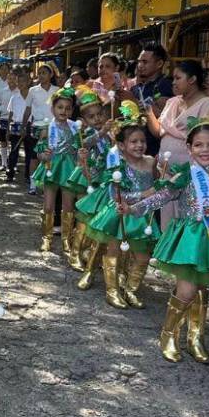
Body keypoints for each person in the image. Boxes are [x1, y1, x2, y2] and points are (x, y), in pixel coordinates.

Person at [128, 109, 209, 363]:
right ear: (189, 148)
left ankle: (195, 337)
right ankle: (168, 334)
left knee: (201, 289)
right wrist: (134, 208)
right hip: (188, 239)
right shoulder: (186, 173)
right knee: (186, 289)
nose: (205, 150)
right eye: (198, 145)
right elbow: (163, 196)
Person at [81, 104, 159, 309]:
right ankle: (112, 290)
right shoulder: (118, 165)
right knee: (113, 251)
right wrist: (143, 194)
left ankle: (131, 290)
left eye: (142, 141)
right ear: (122, 146)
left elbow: (158, 186)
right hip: (120, 213)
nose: (139, 145)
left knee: (143, 256)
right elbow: (115, 194)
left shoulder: (151, 162)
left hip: (142, 216)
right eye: (133, 141)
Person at [147, 60, 209, 228]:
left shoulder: (208, 104)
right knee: (168, 225)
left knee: (188, 222)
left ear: (192, 80)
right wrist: (149, 113)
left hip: (192, 176)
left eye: (177, 78)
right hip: (166, 174)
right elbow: (159, 131)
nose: (173, 82)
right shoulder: (172, 102)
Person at [66, 89, 113, 272]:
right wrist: (102, 132)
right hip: (89, 176)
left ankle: (90, 252)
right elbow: (85, 143)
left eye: (100, 114)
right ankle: (75, 252)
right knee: (85, 215)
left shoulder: (109, 131)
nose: (97, 119)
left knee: (99, 216)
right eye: (92, 117)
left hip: (105, 177)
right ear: (85, 120)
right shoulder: (85, 132)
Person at [32, 87, 80, 254]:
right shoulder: (47, 128)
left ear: (72, 110)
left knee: (68, 206)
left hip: (69, 169)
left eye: (68, 108)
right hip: (51, 168)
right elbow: (38, 152)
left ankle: (67, 240)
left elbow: (80, 147)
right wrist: (43, 156)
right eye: (60, 107)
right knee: (48, 206)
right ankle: (47, 238)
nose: (63, 111)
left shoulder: (75, 128)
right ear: (53, 109)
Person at [133, 43, 174, 155]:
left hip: (156, 150)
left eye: (145, 62)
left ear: (159, 63)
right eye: (139, 61)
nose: (140, 65)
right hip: (135, 149)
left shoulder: (165, 85)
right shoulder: (136, 88)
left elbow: (164, 117)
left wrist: (133, 100)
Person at [26, 62, 60, 194]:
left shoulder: (57, 90)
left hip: (54, 128)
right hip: (36, 126)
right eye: (39, 73)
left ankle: (47, 184)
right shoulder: (32, 90)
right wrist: (24, 125)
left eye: (44, 73)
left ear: (51, 75)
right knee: (34, 157)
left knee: (50, 157)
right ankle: (33, 185)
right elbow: (28, 108)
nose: (41, 75)